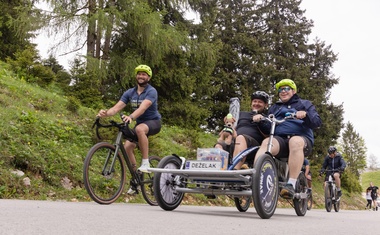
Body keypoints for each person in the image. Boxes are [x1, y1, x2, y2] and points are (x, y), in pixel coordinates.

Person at [252, 79, 322, 199]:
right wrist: (260, 120)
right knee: (267, 142)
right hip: (281, 140)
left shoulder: (304, 104)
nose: (283, 91)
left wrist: (305, 115)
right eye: (280, 89)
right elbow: (268, 127)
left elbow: (317, 122)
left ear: (293, 91)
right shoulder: (275, 107)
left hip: (301, 139)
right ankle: (256, 176)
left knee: (295, 142)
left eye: (286, 89)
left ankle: (291, 184)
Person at [97, 64, 161, 193]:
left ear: (148, 77)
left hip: (153, 122)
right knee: (127, 147)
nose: (141, 76)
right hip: (139, 123)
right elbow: (116, 108)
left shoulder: (151, 91)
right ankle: (136, 179)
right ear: (136, 76)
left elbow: (143, 108)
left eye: (144, 74)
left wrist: (131, 117)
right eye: (139, 74)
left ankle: (145, 162)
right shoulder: (130, 92)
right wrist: (106, 113)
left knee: (139, 129)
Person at [231, 91, 271, 169]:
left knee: (241, 138)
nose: (256, 103)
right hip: (235, 140)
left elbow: (267, 135)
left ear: (265, 105)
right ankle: (214, 174)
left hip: (254, 146)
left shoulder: (267, 117)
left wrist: (260, 121)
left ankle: (235, 170)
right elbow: (232, 127)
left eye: (260, 102)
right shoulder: (241, 114)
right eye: (254, 101)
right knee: (220, 144)